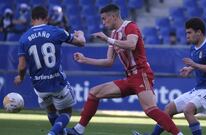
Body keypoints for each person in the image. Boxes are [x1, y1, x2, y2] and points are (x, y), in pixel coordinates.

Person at [67, 4, 183, 135]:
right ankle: (78, 130)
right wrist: (85, 60)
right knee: (94, 93)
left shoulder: (130, 26)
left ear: (114, 16)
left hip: (141, 73)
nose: (103, 22)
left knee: (150, 109)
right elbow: (109, 61)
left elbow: (132, 44)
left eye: (105, 19)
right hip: (130, 77)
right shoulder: (114, 34)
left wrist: (108, 40)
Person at [133, 17, 206, 135]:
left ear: (199, 32)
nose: (187, 36)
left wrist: (194, 64)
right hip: (199, 89)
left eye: (189, 32)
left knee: (188, 110)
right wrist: (191, 68)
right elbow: (202, 64)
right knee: (168, 109)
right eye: (186, 33)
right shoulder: (194, 48)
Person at [13, 6, 86, 135]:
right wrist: (81, 34)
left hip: (39, 85)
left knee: (51, 110)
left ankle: (60, 133)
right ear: (47, 18)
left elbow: (22, 66)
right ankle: (52, 133)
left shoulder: (24, 38)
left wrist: (20, 77)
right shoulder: (57, 31)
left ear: (32, 20)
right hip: (57, 81)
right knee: (66, 112)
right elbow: (81, 43)